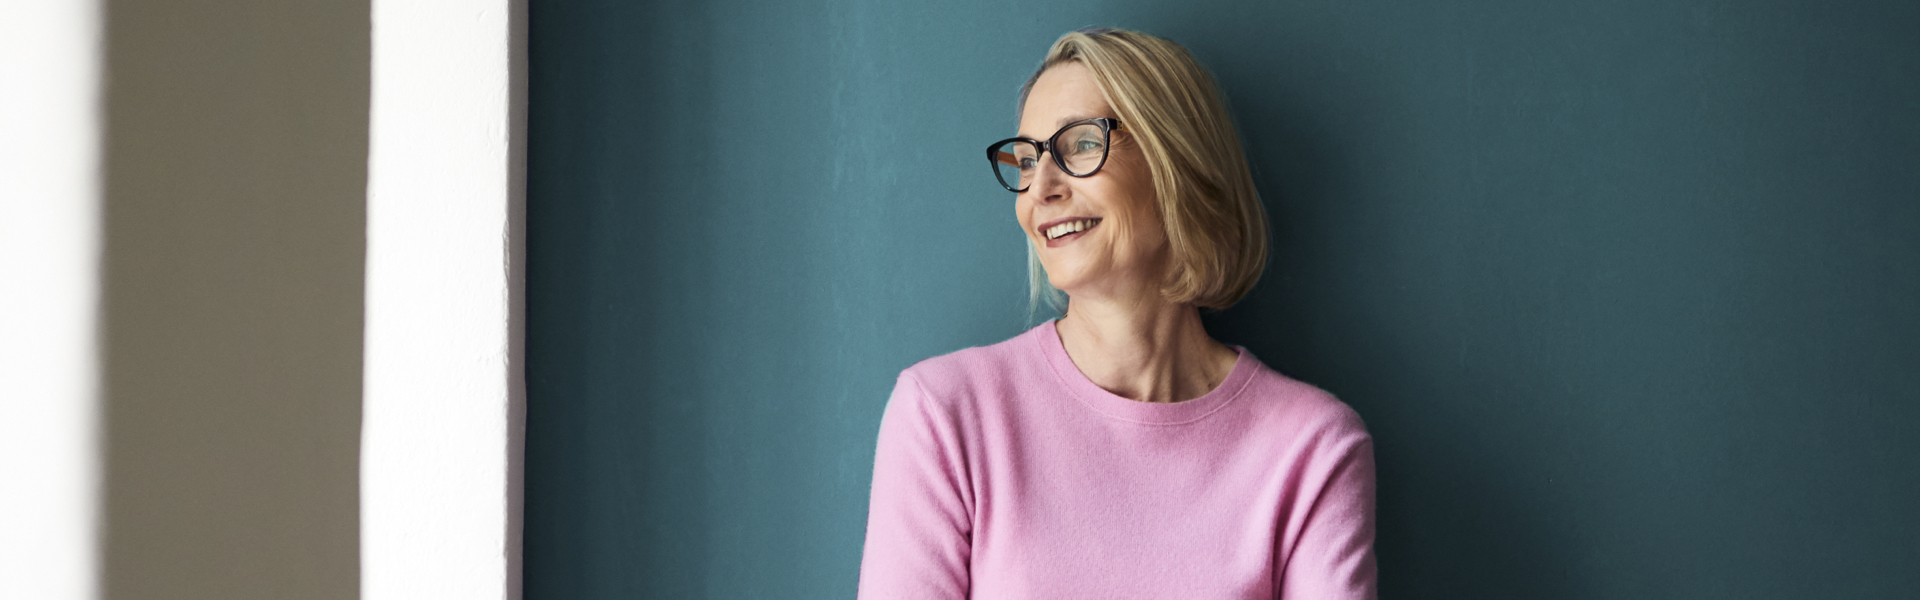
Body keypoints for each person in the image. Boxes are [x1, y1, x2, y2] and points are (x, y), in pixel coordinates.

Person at [857, 27, 1376, 599]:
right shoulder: (945, 415)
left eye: (1080, 144)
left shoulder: (1311, 447)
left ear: (1175, 159)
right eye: (1027, 160)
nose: (1040, 190)